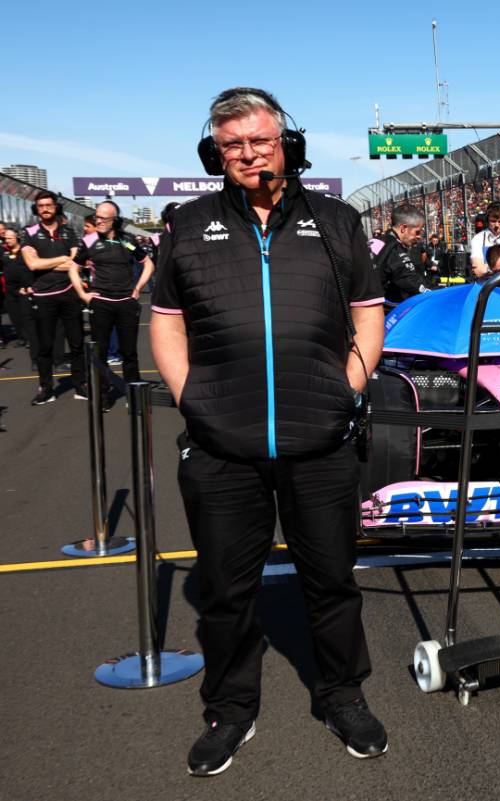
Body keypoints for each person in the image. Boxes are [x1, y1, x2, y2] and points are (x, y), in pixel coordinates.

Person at [149, 87, 387, 776]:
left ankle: (343, 695)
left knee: (332, 581)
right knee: (226, 590)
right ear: (214, 154)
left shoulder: (337, 220)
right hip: (221, 446)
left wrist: (349, 386)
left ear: (288, 144)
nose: (249, 154)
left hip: (321, 440)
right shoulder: (188, 224)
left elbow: (367, 311)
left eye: (261, 140)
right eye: (233, 145)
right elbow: (166, 323)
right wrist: (193, 398)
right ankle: (229, 708)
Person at [68, 201, 154, 409]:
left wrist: (137, 288)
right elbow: (73, 267)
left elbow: (148, 264)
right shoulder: (89, 241)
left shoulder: (127, 241)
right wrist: (83, 294)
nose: (98, 221)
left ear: (114, 220)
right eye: (96, 217)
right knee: (100, 353)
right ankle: (103, 395)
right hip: (101, 304)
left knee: (129, 353)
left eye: (103, 218)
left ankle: (133, 395)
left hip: (126, 303)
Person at [21, 191, 84, 405]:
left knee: (76, 343)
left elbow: (76, 265)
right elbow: (32, 264)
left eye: (49, 205)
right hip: (43, 297)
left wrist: (47, 263)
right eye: (41, 206)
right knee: (44, 347)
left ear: (56, 207)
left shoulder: (69, 232)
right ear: (36, 209)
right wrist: (63, 259)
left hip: (69, 293)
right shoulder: (29, 232)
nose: (45, 209)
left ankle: (80, 385)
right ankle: (46, 389)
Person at [375, 204, 432, 307]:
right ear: (403, 228)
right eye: (417, 232)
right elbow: (411, 280)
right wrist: (433, 294)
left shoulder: (379, 240)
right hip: (372, 308)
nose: (419, 236)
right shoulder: (394, 248)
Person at [2, 229, 37, 363]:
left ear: (16, 237)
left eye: (10, 238)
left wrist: (30, 286)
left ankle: (31, 340)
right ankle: (22, 338)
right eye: (6, 239)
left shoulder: (25, 250)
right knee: (14, 316)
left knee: (26, 316)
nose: (7, 241)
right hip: (10, 290)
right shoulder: (4, 252)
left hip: (24, 289)